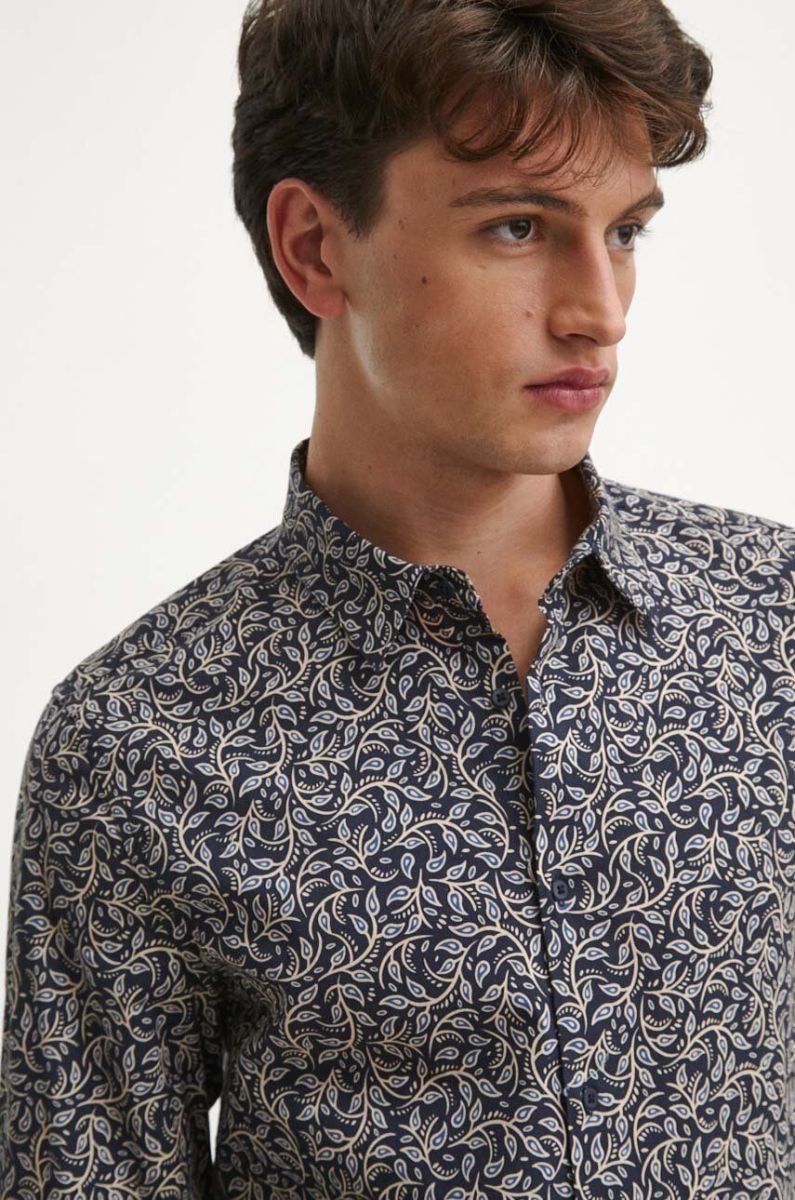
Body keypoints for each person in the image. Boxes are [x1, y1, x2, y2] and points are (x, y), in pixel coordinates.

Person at [1, 1, 793, 1197]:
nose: (600, 310)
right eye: (518, 227)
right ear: (316, 248)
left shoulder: (772, 622)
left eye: (625, 231)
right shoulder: (138, 742)